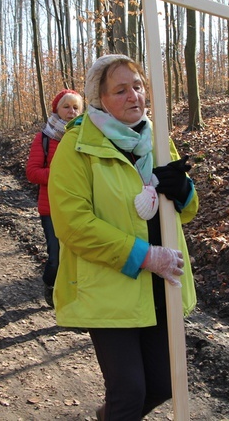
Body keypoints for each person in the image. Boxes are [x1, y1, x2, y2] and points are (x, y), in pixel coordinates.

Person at [48, 55, 198, 420]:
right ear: (99, 99)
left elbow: (186, 212)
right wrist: (144, 255)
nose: (134, 96)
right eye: (121, 90)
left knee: (165, 385)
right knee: (129, 393)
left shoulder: (159, 140)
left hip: (161, 286)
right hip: (109, 288)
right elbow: (73, 223)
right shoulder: (78, 145)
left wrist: (184, 192)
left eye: (138, 86)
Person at [25, 89, 83, 307]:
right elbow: (32, 172)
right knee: (56, 257)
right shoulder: (45, 138)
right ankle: (50, 284)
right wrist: (60, 174)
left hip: (80, 206)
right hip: (51, 207)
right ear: (56, 110)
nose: (71, 112)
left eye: (76, 107)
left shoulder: (88, 137)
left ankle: (73, 298)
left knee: (79, 256)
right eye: (66, 107)